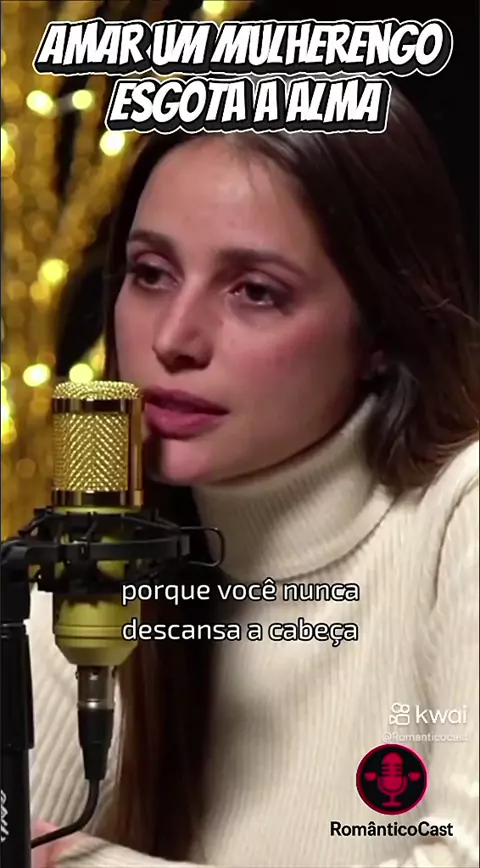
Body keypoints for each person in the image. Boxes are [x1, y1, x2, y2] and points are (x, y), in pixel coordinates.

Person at [30, 86, 479, 868]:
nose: (174, 340)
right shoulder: (94, 549)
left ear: (381, 328)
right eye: (151, 273)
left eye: (256, 292)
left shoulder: (458, 515)